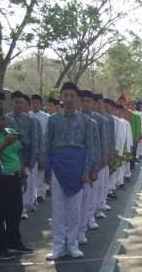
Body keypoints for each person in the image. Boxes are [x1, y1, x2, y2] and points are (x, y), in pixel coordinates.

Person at [44, 82, 97, 261]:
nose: (68, 98)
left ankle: (72, 245)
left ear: (78, 99)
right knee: (57, 209)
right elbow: (48, 145)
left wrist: (86, 171)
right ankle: (58, 246)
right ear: (61, 97)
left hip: (77, 167)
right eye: (65, 95)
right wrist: (47, 170)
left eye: (71, 95)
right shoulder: (53, 120)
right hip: (58, 167)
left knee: (75, 210)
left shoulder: (87, 121)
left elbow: (90, 148)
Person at [0, 105, 30, 260]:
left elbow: (18, 153)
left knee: (15, 212)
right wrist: (4, 144)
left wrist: (23, 174)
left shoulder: (10, 133)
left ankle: (14, 242)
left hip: (14, 179)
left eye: (3, 118)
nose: (2, 122)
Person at [6, 92, 38, 219]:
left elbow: (34, 139)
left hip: (25, 155)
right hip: (9, 157)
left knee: (24, 183)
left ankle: (23, 208)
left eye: (21, 102)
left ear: (24, 104)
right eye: (16, 102)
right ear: (11, 103)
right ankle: (11, 207)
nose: (19, 105)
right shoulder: (6, 119)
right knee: (11, 184)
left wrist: (33, 158)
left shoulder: (30, 120)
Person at [77, 90, 102, 244]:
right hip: (72, 166)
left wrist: (95, 168)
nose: (85, 104)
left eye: (88, 101)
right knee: (72, 203)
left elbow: (97, 146)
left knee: (86, 198)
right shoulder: (72, 119)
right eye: (83, 100)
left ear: (93, 104)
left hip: (89, 167)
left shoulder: (97, 121)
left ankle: (83, 229)